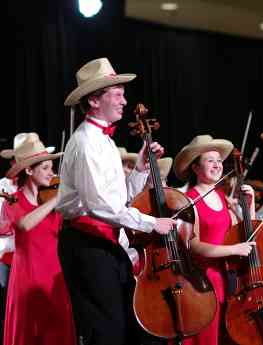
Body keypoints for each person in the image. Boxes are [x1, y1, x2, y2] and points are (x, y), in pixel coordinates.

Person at [57, 57, 175, 345]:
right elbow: (98, 205)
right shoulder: (85, 142)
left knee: (132, 327)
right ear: (95, 101)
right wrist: (150, 223)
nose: (124, 101)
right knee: (106, 331)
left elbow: (119, 199)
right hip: (86, 242)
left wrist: (140, 169)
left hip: (105, 241)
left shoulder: (106, 141)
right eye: (118, 95)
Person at [172, 134, 255, 345]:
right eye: (210, 160)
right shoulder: (189, 200)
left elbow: (244, 233)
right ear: (195, 167)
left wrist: (250, 205)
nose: (217, 165)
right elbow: (194, 245)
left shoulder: (221, 196)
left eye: (219, 161)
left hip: (229, 277)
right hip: (205, 279)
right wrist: (234, 249)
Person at [0, 133, 75, 345]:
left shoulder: (52, 200)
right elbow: (24, 224)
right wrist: (57, 199)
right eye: (46, 168)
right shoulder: (13, 199)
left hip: (54, 277)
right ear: (29, 170)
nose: (52, 173)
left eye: (52, 167)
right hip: (28, 277)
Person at [0, 135, 55, 342]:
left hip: (49, 270)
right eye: (45, 168)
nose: (52, 173)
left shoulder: (48, 196)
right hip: (17, 266)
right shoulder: (5, 193)